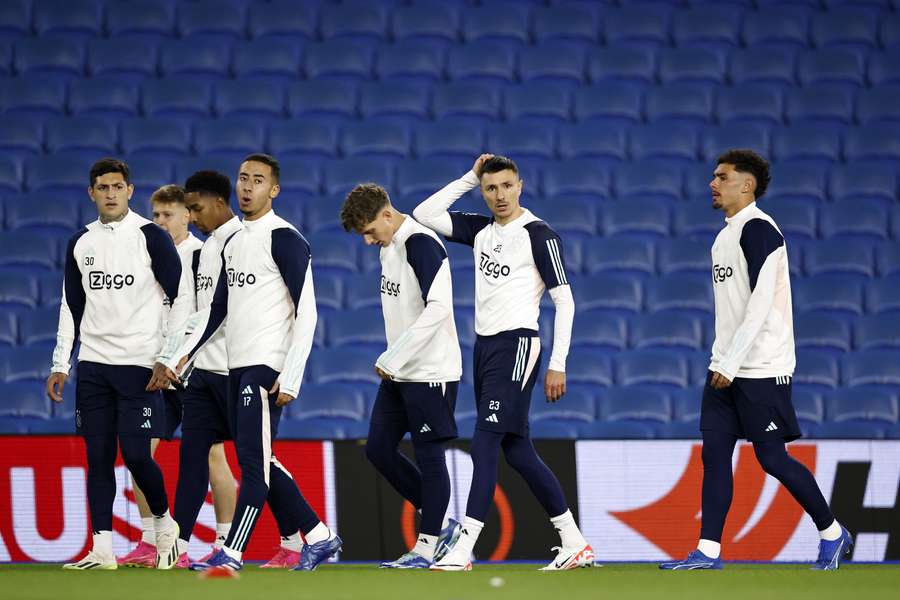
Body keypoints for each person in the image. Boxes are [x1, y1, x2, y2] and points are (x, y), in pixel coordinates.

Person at [659, 150, 852, 571]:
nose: (713, 183)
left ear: (746, 185)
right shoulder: (722, 237)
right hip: (725, 366)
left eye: (722, 177)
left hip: (761, 367)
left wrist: (731, 362)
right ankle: (708, 551)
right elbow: (730, 311)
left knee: (772, 459)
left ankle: (832, 532)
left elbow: (762, 304)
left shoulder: (761, 230)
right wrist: (720, 360)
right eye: (713, 176)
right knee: (713, 456)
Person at [155, 154, 340, 572]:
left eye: (257, 180)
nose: (247, 186)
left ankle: (232, 552)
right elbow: (216, 309)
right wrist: (180, 358)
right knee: (261, 460)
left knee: (254, 467)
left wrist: (291, 375)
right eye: (242, 178)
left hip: (265, 366)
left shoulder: (286, 238)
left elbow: (307, 312)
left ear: (273, 190)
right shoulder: (234, 243)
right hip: (235, 366)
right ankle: (319, 535)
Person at [413, 155, 594, 571]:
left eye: (506, 186)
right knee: (518, 450)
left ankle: (464, 546)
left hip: (517, 347)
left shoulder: (538, 234)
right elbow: (425, 213)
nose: (499, 195)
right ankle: (574, 540)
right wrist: (468, 176)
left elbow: (564, 299)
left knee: (485, 443)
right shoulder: (481, 231)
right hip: (485, 348)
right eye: (490, 188)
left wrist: (558, 361)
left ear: (521, 186)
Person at [46, 158, 189, 569]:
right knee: (98, 455)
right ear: (91, 193)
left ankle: (165, 526)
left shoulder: (150, 237)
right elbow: (71, 307)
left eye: (117, 186)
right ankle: (102, 548)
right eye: (102, 187)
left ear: (130, 190)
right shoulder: (80, 242)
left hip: (140, 366)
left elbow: (182, 300)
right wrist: (62, 363)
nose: (110, 194)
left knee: (137, 456)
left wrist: (168, 356)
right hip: (93, 365)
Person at [339, 183, 463, 569]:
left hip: (430, 370)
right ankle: (441, 525)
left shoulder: (421, 244)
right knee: (378, 448)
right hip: (400, 371)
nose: (367, 240)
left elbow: (440, 307)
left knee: (429, 458)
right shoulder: (388, 248)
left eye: (370, 230)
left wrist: (397, 355)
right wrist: (396, 360)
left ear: (387, 214)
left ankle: (427, 547)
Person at [118, 184, 238, 568]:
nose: (160, 222)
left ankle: (223, 540)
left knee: (214, 456)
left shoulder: (203, 256)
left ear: (188, 215)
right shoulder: (145, 256)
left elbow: (208, 316)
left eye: (168, 214)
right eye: (154, 215)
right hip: (157, 369)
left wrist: (183, 358)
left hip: (195, 371)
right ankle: (152, 539)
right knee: (141, 453)